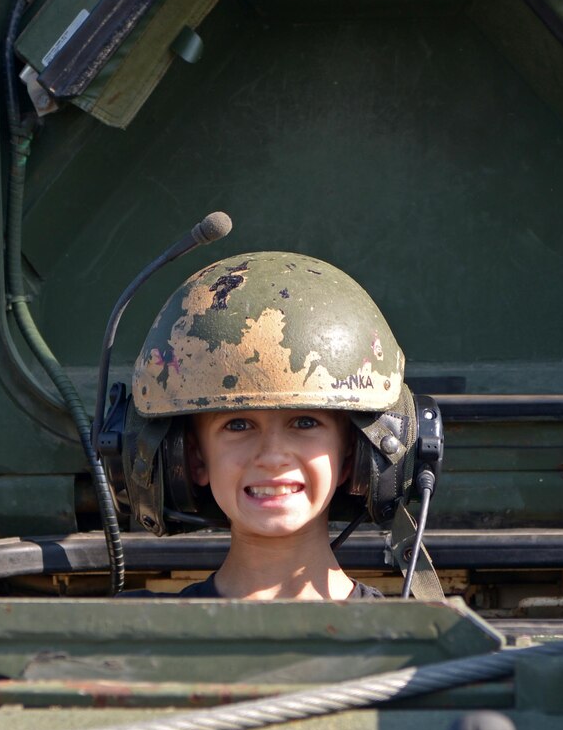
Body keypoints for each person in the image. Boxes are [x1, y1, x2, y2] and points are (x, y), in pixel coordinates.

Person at [122, 251, 410, 599]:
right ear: (192, 458)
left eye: (305, 423)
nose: (273, 456)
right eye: (238, 425)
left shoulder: (416, 643)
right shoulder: (144, 637)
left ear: (354, 455)